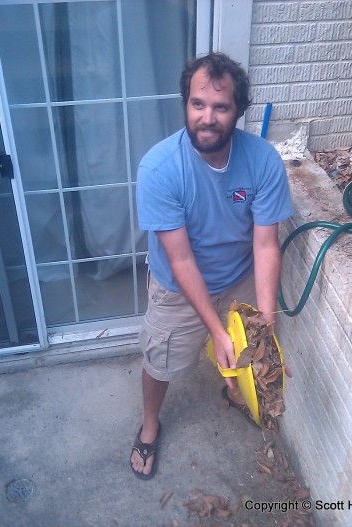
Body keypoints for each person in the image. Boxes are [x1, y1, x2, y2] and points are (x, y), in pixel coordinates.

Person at [130, 52, 293, 480]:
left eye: (221, 107)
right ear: (185, 103)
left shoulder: (262, 160)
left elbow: (265, 244)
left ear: (238, 111)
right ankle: (149, 426)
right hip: (176, 284)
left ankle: (234, 390)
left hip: (238, 273)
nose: (207, 116)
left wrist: (265, 320)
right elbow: (180, 258)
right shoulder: (159, 169)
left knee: (245, 348)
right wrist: (216, 329)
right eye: (198, 104)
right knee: (160, 362)